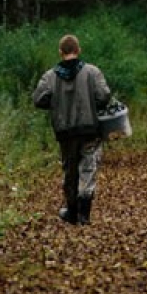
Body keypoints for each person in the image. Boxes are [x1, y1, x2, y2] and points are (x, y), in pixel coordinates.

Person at [33, 34, 112, 225]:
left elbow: (38, 99)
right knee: (88, 169)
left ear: (60, 52)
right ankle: (84, 215)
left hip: (64, 131)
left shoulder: (50, 76)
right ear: (79, 50)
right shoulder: (92, 72)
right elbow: (104, 96)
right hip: (89, 130)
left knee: (70, 171)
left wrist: (56, 103)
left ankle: (72, 212)